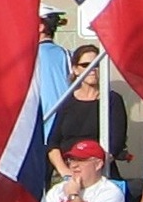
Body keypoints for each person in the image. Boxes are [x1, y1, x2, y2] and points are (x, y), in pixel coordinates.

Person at [42, 44, 126, 180]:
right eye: (85, 65)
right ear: (75, 69)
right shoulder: (66, 100)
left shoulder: (112, 100)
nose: (92, 69)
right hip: (67, 174)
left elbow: (115, 144)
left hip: (100, 173)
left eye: (97, 64)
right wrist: (64, 171)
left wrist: (88, 172)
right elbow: (53, 143)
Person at [32, 11, 71, 129]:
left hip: (41, 125)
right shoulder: (67, 54)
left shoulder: (31, 55)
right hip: (64, 124)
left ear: (41, 27)